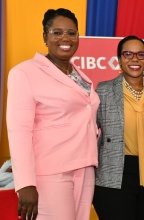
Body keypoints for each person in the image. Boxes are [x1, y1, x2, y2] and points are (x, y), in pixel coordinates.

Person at [6, 8, 100, 220]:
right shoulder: (24, 73)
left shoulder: (78, 75)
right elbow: (19, 130)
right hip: (50, 172)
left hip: (85, 167)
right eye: (57, 32)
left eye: (71, 33)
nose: (65, 38)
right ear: (45, 37)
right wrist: (26, 184)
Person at [92, 35, 144, 220]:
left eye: (141, 54)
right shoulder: (104, 90)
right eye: (128, 54)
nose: (135, 59)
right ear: (119, 59)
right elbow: (88, 132)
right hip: (113, 175)